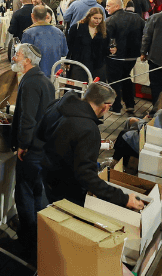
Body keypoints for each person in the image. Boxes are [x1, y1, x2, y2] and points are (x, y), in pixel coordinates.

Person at [40, 83, 146, 211]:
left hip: (47, 175)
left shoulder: (58, 104)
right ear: (106, 106)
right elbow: (86, 175)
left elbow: (41, 132)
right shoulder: (88, 129)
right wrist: (124, 199)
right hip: (67, 188)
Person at [9, 44, 54, 254]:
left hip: (32, 149)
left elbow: (27, 117)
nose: (14, 58)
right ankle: (40, 235)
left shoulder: (30, 83)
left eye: (17, 55)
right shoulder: (45, 81)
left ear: (26, 60)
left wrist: (23, 145)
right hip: (44, 147)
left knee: (25, 192)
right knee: (37, 190)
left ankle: (27, 239)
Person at [104, 0, 144, 115]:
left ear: (117, 6)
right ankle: (130, 105)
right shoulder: (137, 17)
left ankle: (116, 107)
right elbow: (145, 32)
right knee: (126, 78)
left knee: (114, 81)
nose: (106, 8)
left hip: (115, 56)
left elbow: (107, 39)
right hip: (132, 56)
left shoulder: (110, 21)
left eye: (108, 5)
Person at [21, 6, 68, 77]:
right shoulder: (59, 32)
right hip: (55, 75)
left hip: (36, 76)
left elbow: (23, 57)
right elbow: (64, 53)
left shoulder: (28, 33)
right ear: (46, 16)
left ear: (32, 15)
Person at [66, 9, 109, 81]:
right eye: (95, 18)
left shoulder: (104, 31)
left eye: (100, 18)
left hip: (98, 65)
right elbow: (69, 45)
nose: (97, 21)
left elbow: (105, 48)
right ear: (89, 17)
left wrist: (111, 50)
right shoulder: (77, 27)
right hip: (79, 63)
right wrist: (67, 61)